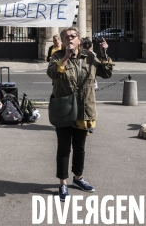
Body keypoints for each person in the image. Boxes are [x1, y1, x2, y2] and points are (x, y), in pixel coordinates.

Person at [47, 27, 113, 202]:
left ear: (79, 40)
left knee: (80, 147)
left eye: (73, 36)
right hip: (64, 110)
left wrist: (104, 54)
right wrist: (66, 57)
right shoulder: (57, 56)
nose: (70, 39)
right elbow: (52, 73)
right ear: (62, 40)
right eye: (66, 37)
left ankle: (78, 178)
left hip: (84, 110)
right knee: (63, 148)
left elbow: (106, 73)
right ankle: (63, 183)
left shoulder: (90, 57)